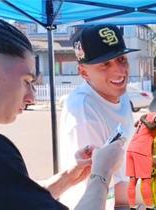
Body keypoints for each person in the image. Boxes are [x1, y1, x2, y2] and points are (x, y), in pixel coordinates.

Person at [0, 15, 124, 210]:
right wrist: (102, 173)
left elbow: (10, 199)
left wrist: (66, 179)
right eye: (27, 81)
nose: (32, 97)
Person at [58, 24, 139, 209]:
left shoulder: (119, 93)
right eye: (105, 64)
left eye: (122, 59)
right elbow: (103, 187)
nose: (119, 71)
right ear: (84, 72)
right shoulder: (83, 110)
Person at [126, 102, 156, 210]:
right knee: (146, 180)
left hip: (131, 148)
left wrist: (153, 156)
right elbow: (152, 126)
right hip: (141, 150)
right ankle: (149, 206)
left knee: (132, 180)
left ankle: (132, 206)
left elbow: (137, 125)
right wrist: (143, 120)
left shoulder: (149, 115)